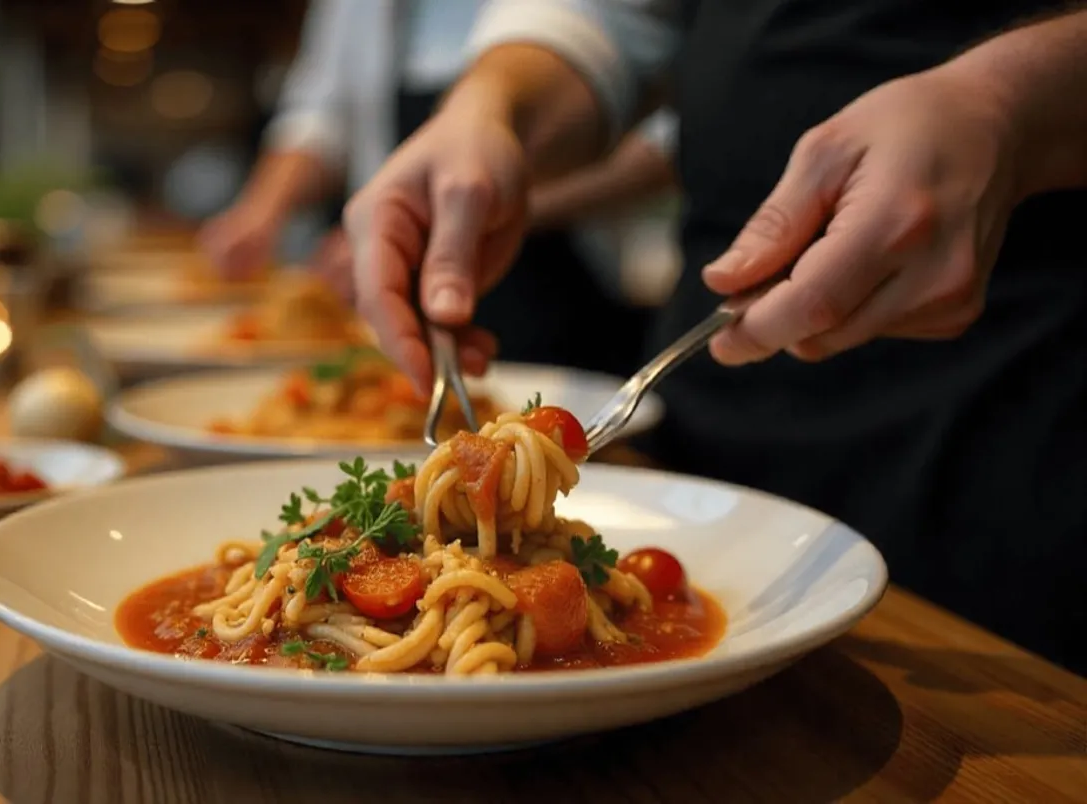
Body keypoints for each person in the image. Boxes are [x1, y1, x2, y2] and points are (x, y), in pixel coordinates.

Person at [342, 0, 1087, 673]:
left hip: (1017, 414)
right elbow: (622, 19)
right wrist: (490, 104)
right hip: (715, 414)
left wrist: (1008, 102)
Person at [199, 0, 678, 377]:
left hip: (559, 286)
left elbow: (669, 133)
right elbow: (319, 112)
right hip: (402, 280)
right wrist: (260, 212)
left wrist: (492, 198)